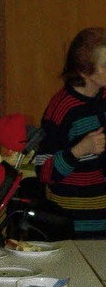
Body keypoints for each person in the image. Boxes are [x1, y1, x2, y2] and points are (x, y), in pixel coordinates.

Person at [33, 27, 106, 238]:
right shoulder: (62, 109)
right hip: (76, 228)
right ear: (84, 72)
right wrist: (79, 150)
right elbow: (44, 171)